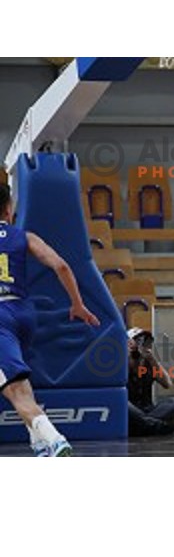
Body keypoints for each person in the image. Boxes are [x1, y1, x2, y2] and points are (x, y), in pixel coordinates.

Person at [0, 182, 99, 457]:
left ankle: (55, 441)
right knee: (14, 382)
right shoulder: (25, 236)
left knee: (15, 389)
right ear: (9, 211)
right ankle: (38, 440)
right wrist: (77, 304)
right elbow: (61, 265)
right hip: (23, 314)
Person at [127, 327, 174, 436]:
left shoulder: (149, 363)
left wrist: (152, 360)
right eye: (138, 341)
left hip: (148, 410)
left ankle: (143, 426)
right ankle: (160, 428)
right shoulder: (121, 363)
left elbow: (167, 384)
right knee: (124, 406)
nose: (142, 345)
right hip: (131, 410)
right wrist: (128, 355)